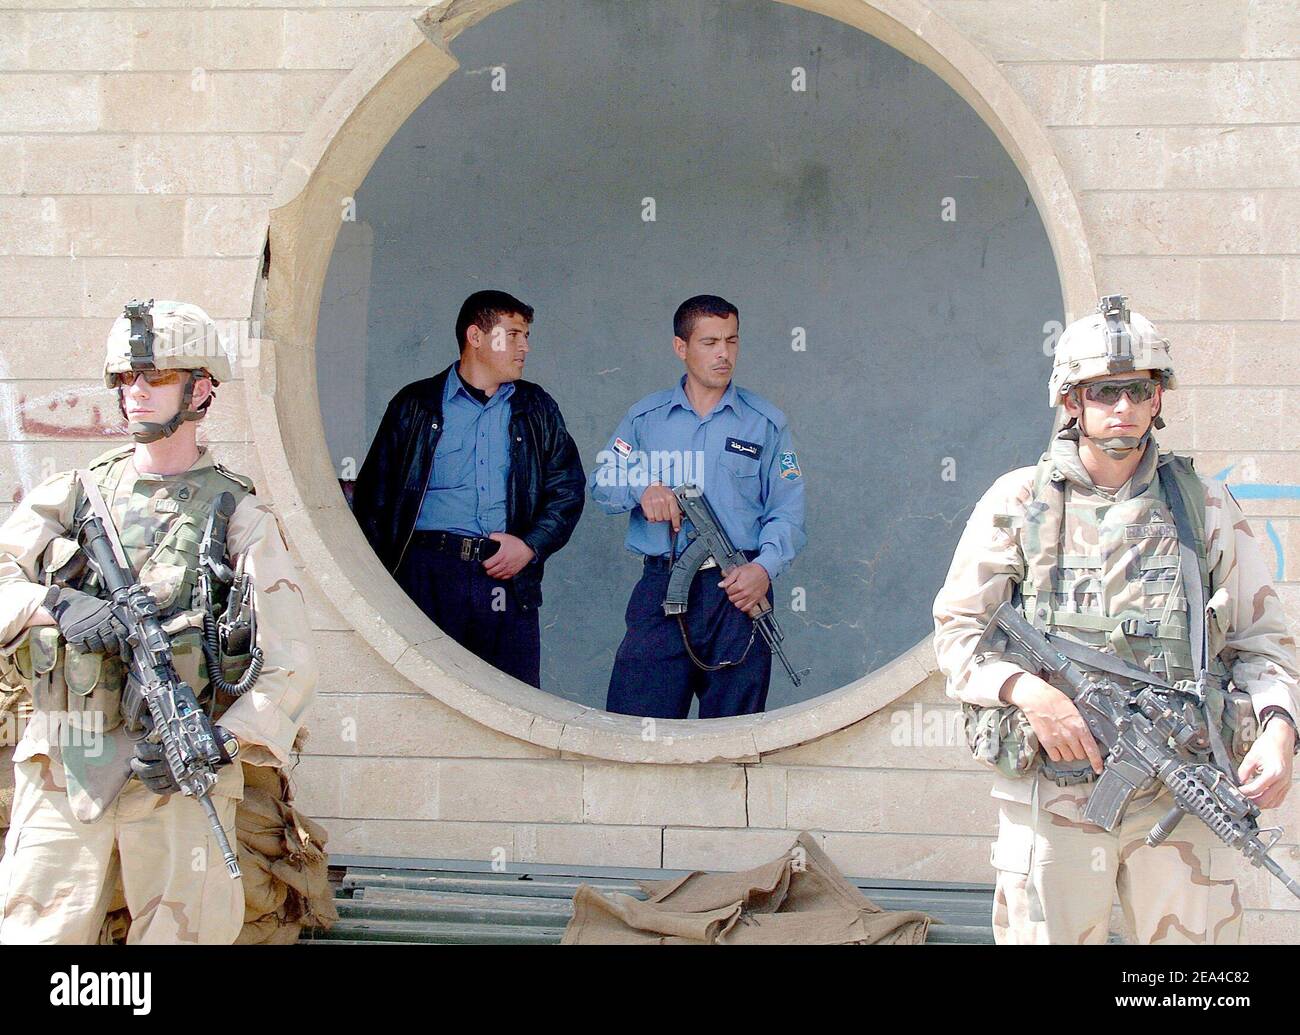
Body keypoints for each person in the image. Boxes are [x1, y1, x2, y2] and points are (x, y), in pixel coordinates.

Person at [933, 295, 1300, 944]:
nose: (1123, 406)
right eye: (1104, 391)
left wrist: (1278, 730)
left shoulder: (1204, 505)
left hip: (1179, 794)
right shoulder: (1020, 501)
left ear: (1159, 398)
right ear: (1071, 401)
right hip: (1056, 798)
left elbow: (1263, 643)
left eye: (1138, 389)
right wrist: (1031, 692)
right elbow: (960, 634)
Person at [0, 299, 317, 944]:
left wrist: (219, 744)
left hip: (175, 770)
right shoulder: (74, 495)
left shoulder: (238, 515)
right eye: (124, 379)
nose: (135, 392)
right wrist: (52, 604)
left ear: (201, 389)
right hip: (65, 762)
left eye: (155, 377)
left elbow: (290, 662)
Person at [351, 290, 585, 689]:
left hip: (506, 574)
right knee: (421, 696)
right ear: (475, 337)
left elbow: (567, 488)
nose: (524, 346)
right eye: (512, 334)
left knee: (515, 700)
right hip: (426, 576)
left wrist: (529, 546)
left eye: (526, 335)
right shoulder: (416, 404)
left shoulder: (536, 407)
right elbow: (374, 499)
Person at [590, 295, 806, 719]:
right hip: (662, 589)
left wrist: (764, 568)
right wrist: (642, 488)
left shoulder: (765, 423)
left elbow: (788, 511)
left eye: (731, 340)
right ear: (680, 347)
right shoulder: (645, 418)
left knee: (734, 735)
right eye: (709, 342)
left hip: (738, 590)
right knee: (637, 725)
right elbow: (601, 481)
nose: (723, 353)